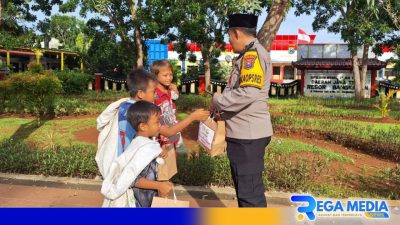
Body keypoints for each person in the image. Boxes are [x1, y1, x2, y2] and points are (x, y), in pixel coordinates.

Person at [210, 14, 273, 207]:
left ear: (236, 33)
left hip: (248, 136)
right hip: (246, 133)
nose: (229, 42)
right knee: (246, 191)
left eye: (229, 37)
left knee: (249, 196)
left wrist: (217, 100)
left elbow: (248, 93)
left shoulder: (252, 56)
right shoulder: (250, 53)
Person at [101, 101, 172, 207]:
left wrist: (157, 153)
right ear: (143, 126)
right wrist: (159, 186)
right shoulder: (144, 148)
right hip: (139, 202)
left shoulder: (140, 143)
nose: (160, 125)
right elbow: (134, 179)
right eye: (157, 122)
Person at [150, 60, 182, 151]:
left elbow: (175, 97)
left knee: (173, 156)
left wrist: (175, 89)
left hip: (172, 130)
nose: (169, 78)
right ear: (155, 76)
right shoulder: (153, 94)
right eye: (165, 75)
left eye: (170, 75)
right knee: (164, 161)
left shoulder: (168, 90)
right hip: (161, 138)